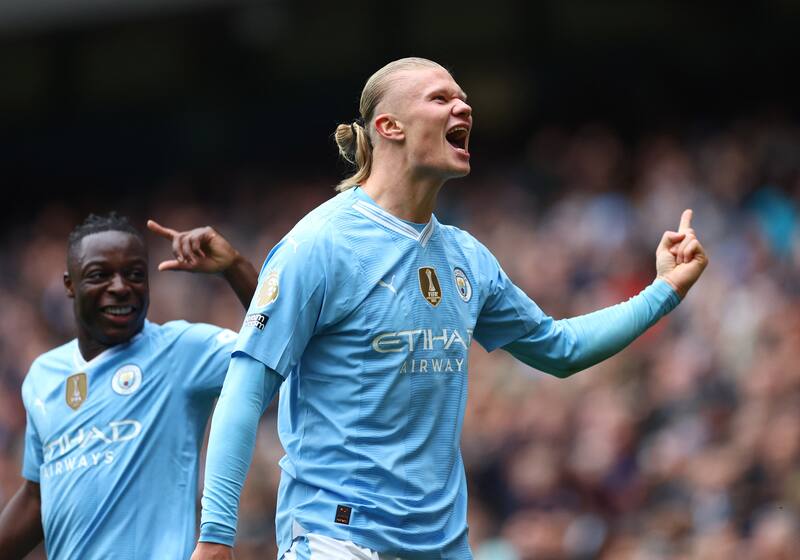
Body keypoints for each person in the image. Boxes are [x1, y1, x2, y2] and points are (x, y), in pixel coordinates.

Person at [193, 57, 708, 560]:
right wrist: (216, 533)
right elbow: (244, 390)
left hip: (441, 544)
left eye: (463, 99)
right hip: (338, 537)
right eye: (440, 98)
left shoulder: (467, 257)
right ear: (389, 126)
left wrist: (664, 290)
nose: (464, 108)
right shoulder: (319, 244)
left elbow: (560, 349)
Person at [0, 213, 258, 559]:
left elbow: (274, 345)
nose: (121, 286)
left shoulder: (181, 350)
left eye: (135, 274)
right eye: (100, 275)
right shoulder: (43, 375)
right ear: (70, 285)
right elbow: (37, 496)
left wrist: (235, 267)